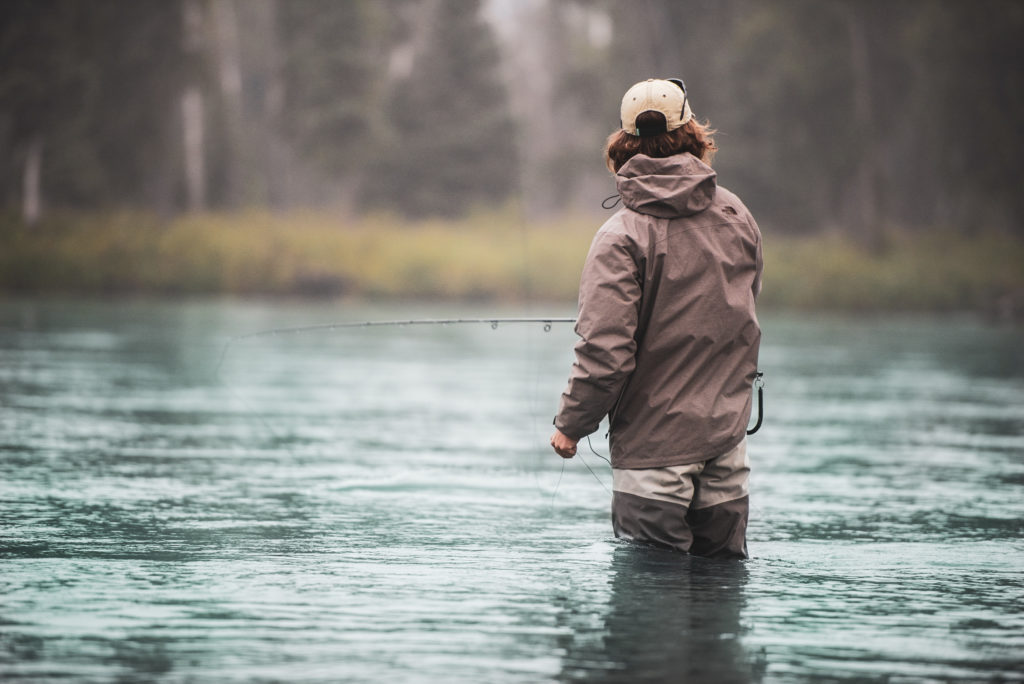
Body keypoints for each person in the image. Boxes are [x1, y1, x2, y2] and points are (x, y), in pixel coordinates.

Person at [550, 78, 763, 560]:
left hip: (653, 461)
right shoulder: (737, 215)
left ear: (622, 146)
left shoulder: (620, 236)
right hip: (727, 451)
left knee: (648, 620)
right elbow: (746, 310)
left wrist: (571, 425)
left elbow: (605, 352)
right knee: (718, 615)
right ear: (693, 134)